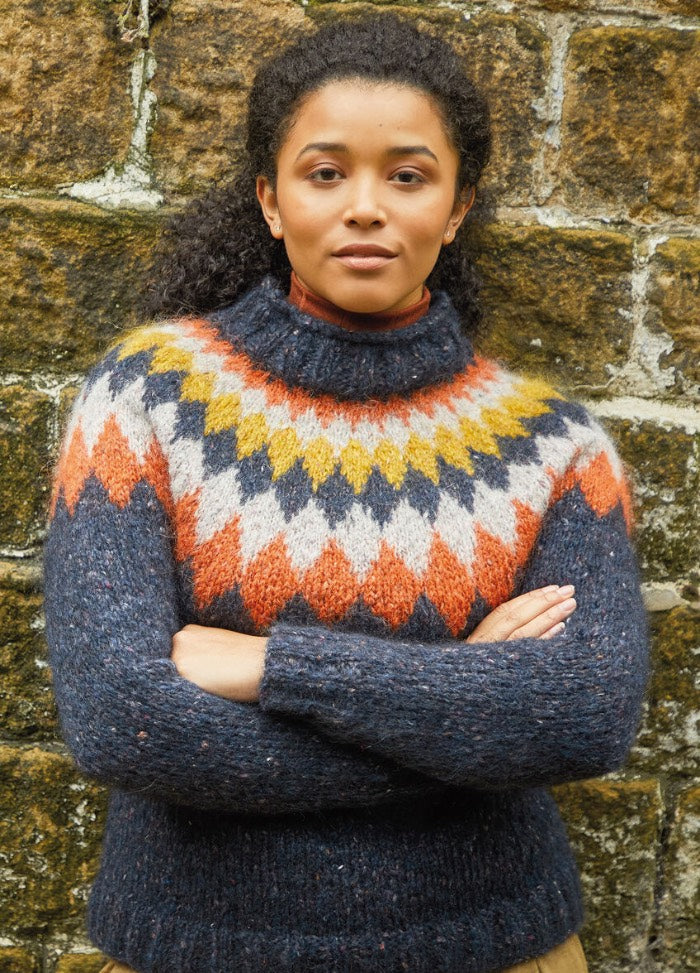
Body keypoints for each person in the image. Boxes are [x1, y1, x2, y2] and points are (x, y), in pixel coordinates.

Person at [42, 12, 650, 973]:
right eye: (325, 173)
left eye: (408, 176)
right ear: (271, 200)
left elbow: (582, 716)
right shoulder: (144, 400)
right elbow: (125, 719)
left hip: (500, 948)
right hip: (197, 949)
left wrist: (268, 666)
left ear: (456, 208)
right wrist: (462, 711)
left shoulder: (556, 445)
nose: (365, 206)